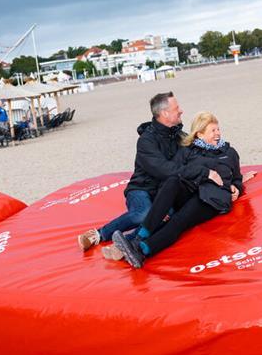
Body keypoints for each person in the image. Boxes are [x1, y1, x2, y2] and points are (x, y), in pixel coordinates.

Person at [77, 92, 223, 256]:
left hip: (165, 191)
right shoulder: (147, 141)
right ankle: (98, 234)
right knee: (144, 213)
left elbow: (199, 152)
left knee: (167, 216)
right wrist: (203, 173)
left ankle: (126, 244)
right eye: (177, 108)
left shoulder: (179, 137)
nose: (181, 111)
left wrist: (230, 176)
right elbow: (164, 170)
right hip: (143, 188)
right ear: (165, 113)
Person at [111, 111, 250, 269]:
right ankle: (140, 236)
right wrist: (204, 173)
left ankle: (142, 250)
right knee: (172, 181)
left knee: (180, 219)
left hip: (211, 197)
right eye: (213, 130)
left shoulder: (229, 153)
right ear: (200, 134)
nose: (218, 134)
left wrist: (237, 187)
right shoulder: (188, 150)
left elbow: (237, 177)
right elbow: (176, 170)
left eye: (218, 129)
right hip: (191, 188)